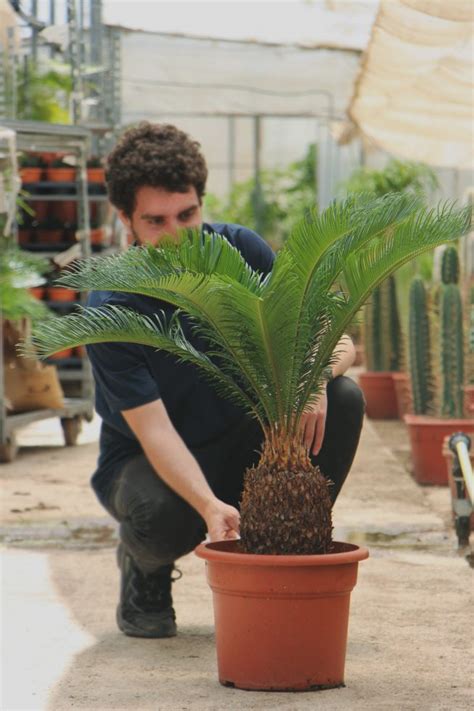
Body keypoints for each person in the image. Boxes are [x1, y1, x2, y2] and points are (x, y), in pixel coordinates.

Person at [86, 122, 365, 639]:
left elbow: (333, 335)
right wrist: (209, 506)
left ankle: (282, 549)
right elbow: (156, 433)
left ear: (201, 202)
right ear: (125, 219)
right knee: (161, 515)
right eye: (156, 220)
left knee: (344, 398)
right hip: (149, 463)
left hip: (243, 445)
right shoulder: (112, 307)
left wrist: (313, 379)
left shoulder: (242, 252)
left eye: (187, 214)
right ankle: (144, 572)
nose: (177, 235)